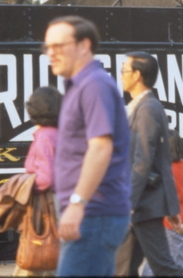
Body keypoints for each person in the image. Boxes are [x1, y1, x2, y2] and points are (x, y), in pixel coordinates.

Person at [46, 16, 131, 276]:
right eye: (48, 47)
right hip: (93, 213)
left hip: (94, 213)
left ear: (84, 46)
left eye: (59, 46)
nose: (51, 53)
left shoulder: (94, 85)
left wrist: (77, 204)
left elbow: (100, 148)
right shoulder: (80, 86)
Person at [115, 52, 183, 277]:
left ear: (137, 75)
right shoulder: (142, 106)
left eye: (124, 70)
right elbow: (160, 161)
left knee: (163, 267)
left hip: (143, 205)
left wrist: (128, 204)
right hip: (142, 203)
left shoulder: (147, 109)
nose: (121, 75)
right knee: (122, 269)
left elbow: (143, 161)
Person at [14, 86, 61, 277]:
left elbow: (46, 178)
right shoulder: (60, 134)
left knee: (33, 261)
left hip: (45, 206)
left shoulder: (44, 138)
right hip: (59, 203)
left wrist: (22, 185)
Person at [142, 129, 183, 276]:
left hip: (169, 218)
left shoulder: (167, 169)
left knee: (172, 258)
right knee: (171, 257)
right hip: (179, 217)